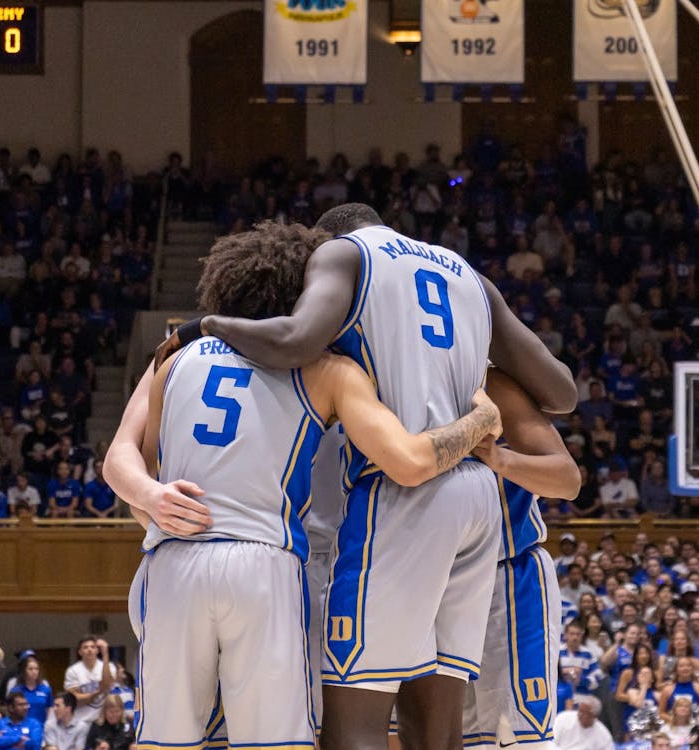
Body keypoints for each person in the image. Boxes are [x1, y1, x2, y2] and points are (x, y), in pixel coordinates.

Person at [151, 204, 576, 749]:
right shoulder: (470, 276)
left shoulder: (342, 254)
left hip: (406, 488)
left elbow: (295, 340)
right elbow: (563, 393)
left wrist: (202, 326)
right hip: (477, 498)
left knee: (354, 715)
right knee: (436, 725)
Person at [461, 368, 581, 750]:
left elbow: (567, 480)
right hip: (428, 579)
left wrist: (500, 459)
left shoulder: (489, 382)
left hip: (507, 577)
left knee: (517, 739)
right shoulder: (386, 374)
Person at [63, 638, 114, 726]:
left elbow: (107, 685)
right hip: (81, 721)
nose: (89, 649)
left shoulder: (108, 666)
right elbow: (75, 700)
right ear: (80, 652)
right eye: (85, 647)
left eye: (93, 647)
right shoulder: (73, 671)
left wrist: (105, 654)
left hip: (103, 721)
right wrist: (98, 692)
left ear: (97, 650)